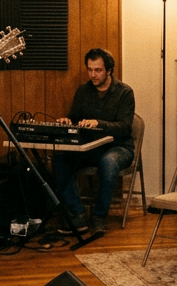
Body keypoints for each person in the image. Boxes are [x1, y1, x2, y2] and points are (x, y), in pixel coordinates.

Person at [52, 49, 136, 234]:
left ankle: (99, 217)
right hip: (89, 147)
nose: (93, 74)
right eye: (90, 70)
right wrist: (67, 121)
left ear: (109, 70)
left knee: (109, 161)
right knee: (60, 157)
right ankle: (77, 215)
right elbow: (74, 118)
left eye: (97, 70)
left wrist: (99, 123)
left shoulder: (124, 92)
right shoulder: (83, 90)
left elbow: (124, 128)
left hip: (119, 147)